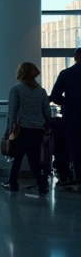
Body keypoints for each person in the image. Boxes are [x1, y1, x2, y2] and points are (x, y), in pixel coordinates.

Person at [4, 62, 52, 194]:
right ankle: (41, 184)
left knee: (17, 157)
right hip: (37, 129)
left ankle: (13, 183)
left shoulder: (16, 89)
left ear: (21, 73)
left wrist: (8, 130)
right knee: (34, 158)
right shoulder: (41, 91)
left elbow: (12, 111)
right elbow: (47, 112)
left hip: (21, 129)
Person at [49, 47, 81, 188]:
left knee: (75, 149)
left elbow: (55, 95)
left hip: (73, 116)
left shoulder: (66, 74)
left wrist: (66, 102)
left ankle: (79, 179)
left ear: (75, 57)